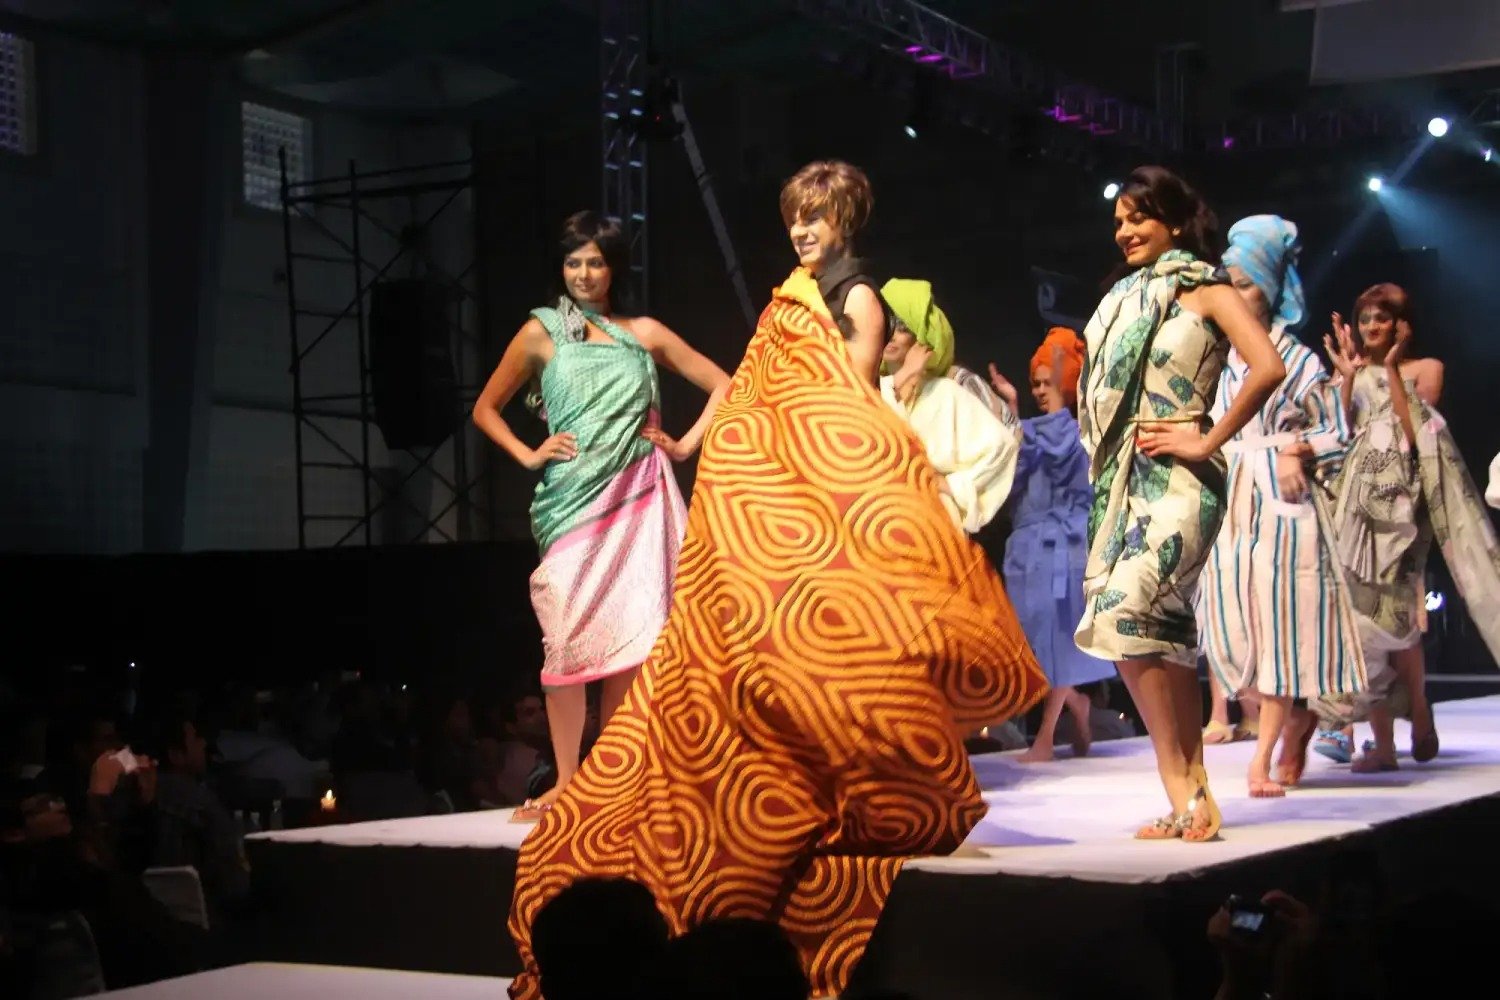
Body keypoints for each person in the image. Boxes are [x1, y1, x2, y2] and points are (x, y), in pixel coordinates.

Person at [505, 160, 1046, 1000]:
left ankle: (856, 787)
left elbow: (850, 406)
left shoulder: (856, 298)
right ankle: (801, 779)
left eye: (818, 217)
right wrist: (711, 451)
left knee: (836, 658)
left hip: (826, 497)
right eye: (796, 215)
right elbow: (766, 389)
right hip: (783, 497)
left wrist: (785, 464)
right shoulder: (802, 292)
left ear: (847, 221)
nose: (803, 229)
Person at [473, 211, 730, 821]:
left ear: (614, 267)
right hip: (569, 504)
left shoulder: (642, 331)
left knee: (629, 639)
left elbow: (723, 382)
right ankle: (567, 780)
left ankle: (609, 776)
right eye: (573, 263)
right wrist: (530, 453)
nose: (583, 274)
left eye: (594, 262)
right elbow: (486, 408)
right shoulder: (543, 331)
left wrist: (685, 444)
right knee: (563, 639)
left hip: (637, 497)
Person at [1075, 165, 1285, 841]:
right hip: (1122, 480)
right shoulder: (1120, 298)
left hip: (1182, 480)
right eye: (1118, 222)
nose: (1126, 231)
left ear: (1171, 218)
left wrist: (1206, 439)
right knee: (1147, 630)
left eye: (1139, 217)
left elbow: (1267, 366)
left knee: (1129, 606)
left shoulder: (1205, 287)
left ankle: (1183, 790)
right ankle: (1189, 796)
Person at [1193, 215, 1366, 797]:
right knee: (1227, 628)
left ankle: (1262, 757)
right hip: (1229, 498)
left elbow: (1339, 430)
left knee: (1276, 629)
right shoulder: (1216, 354)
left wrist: (1297, 447)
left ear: (1268, 288)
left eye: (1245, 284)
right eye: (1230, 283)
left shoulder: (1297, 358)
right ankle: (1295, 722)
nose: (1235, 295)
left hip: (1281, 502)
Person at [1315, 283, 1500, 770]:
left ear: (1402, 323)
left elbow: (1412, 426)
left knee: (1396, 617)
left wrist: (1391, 366)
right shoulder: (1350, 373)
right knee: (1358, 615)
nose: (1372, 327)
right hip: (1354, 505)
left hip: (1403, 505)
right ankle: (1384, 739)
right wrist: (1348, 378)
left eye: (1382, 318)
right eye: (1365, 319)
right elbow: (1341, 431)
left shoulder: (1425, 369)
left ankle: (1415, 715)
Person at [987, 328, 1114, 761]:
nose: (1042, 391)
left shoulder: (1083, 431)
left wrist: (1060, 400)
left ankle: (1044, 738)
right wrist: (1011, 409)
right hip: (1026, 546)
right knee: (1032, 642)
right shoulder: (1030, 429)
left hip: (1066, 547)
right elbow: (1010, 472)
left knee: (1059, 638)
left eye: (1050, 382)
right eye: (1037, 384)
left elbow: (1064, 454)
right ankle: (1076, 703)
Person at [879, 278, 1019, 535]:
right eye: (885, 323)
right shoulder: (869, 390)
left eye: (902, 325)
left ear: (920, 334)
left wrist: (950, 485)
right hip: (879, 524)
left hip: (935, 528)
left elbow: (1003, 448)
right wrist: (903, 376)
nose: (891, 334)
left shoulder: (946, 394)